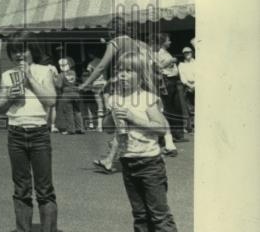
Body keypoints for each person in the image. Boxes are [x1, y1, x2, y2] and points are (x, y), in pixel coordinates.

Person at [105, 53, 187, 232]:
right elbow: (107, 127)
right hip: (128, 161)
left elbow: (161, 127)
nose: (122, 75)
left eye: (128, 71)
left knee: (159, 214)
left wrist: (133, 117)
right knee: (140, 213)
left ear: (140, 76)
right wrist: (110, 116)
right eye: (119, 70)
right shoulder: (114, 98)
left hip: (150, 162)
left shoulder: (147, 98)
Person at [0, 41, 60, 232]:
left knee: (44, 189)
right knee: (21, 188)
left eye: (23, 49)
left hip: (39, 132)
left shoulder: (46, 70)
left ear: (33, 50)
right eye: (15, 51)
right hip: (16, 132)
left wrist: (29, 79)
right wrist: (11, 96)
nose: (20, 54)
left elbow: (51, 100)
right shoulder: (7, 75)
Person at [80, 17, 178, 159]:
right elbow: (152, 62)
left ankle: (114, 156)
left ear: (113, 30)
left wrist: (87, 83)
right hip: (143, 81)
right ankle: (169, 142)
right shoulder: (137, 43)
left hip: (124, 84)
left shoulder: (115, 42)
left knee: (119, 115)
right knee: (153, 111)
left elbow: (101, 66)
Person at [155, 34, 186, 144]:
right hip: (167, 80)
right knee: (169, 107)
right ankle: (171, 134)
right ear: (163, 42)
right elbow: (158, 67)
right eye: (168, 40)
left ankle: (176, 133)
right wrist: (171, 61)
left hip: (172, 80)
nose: (170, 42)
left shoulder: (166, 53)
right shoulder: (159, 53)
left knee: (175, 106)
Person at [54, 56, 85, 134]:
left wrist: (55, 80)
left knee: (69, 112)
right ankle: (80, 128)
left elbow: (59, 85)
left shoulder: (61, 75)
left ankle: (71, 130)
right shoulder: (73, 73)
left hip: (66, 94)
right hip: (76, 93)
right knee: (77, 111)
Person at [178, 45, 195, 133]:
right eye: (185, 53)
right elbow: (182, 78)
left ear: (192, 53)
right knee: (189, 107)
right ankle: (191, 126)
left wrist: (195, 85)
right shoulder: (182, 65)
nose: (187, 54)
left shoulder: (197, 63)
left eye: (188, 52)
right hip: (187, 86)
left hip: (197, 85)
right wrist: (189, 85)